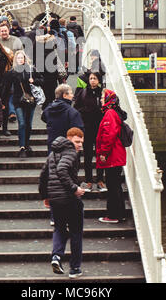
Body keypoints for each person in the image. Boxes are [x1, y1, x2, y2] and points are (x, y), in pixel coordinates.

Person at [39, 128, 85, 279]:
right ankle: (75, 268)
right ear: (69, 139)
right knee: (76, 232)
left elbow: (44, 174)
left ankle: (56, 257)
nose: (79, 145)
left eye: (81, 142)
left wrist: (45, 195)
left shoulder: (53, 153)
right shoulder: (71, 152)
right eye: (77, 142)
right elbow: (62, 169)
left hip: (55, 200)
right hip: (69, 198)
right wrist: (75, 188)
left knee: (59, 229)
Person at [2, 50, 44, 158]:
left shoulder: (31, 69)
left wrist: (33, 80)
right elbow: (6, 88)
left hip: (30, 100)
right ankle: (22, 147)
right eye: (18, 58)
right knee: (21, 123)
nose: (20, 60)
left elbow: (42, 80)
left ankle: (27, 144)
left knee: (28, 124)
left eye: (22, 58)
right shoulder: (12, 72)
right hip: (18, 101)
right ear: (15, 60)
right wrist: (3, 102)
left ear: (25, 59)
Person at [96, 89, 127, 224]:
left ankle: (113, 215)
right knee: (116, 186)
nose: (101, 99)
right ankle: (120, 214)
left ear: (108, 99)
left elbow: (109, 136)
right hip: (117, 155)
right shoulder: (115, 113)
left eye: (103, 97)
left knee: (112, 186)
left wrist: (103, 153)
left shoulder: (109, 114)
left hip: (112, 156)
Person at [74, 72, 107, 192]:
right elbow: (76, 108)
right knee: (87, 155)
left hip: (99, 128)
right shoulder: (83, 93)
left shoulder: (102, 93)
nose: (92, 80)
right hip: (87, 128)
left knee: (100, 154)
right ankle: (88, 181)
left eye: (95, 78)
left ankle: (100, 180)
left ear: (99, 80)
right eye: (91, 78)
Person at [42, 84, 84, 155]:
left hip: (52, 146)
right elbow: (78, 130)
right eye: (71, 93)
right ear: (64, 95)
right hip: (68, 148)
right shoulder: (72, 112)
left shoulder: (48, 109)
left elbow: (44, 118)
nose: (73, 96)